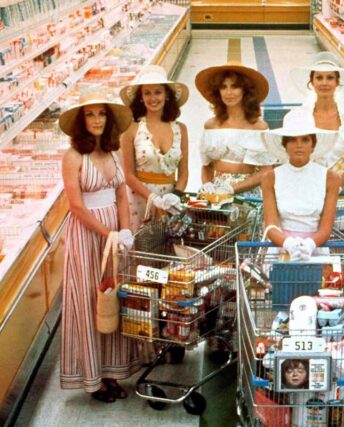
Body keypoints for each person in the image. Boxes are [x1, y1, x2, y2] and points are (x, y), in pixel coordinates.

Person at [59, 91, 140, 402]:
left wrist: (126, 230)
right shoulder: (73, 157)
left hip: (113, 235)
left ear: (109, 121)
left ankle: (113, 371)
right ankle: (93, 379)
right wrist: (109, 233)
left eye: (101, 115)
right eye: (90, 115)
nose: (96, 120)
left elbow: (121, 195)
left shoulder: (111, 153)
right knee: (89, 299)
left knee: (113, 297)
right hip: (87, 235)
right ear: (82, 122)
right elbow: (76, 207)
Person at [261, 110, 340, 260]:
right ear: (285, 144)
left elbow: (326, 227)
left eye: (305, 140)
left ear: (313, 144)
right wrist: (288, 244)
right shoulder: (270, 177)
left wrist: (309, 245)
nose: (299, 145)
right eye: (292, 140)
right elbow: (270, 226)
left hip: (316, 248)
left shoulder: (330, 178)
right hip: (282, 249)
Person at [119, 65, 189, 232]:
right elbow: (128, 176)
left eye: (158, 92)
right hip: (139, 202)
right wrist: (153, 198)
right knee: (140, 248)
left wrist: (176, 195)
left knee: (166, 250)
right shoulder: (131, 130)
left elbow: (184, 172)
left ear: (167, 95)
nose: (153, 98)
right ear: (141, 98)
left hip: (170, 204)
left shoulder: (181, 129)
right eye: (147, 93)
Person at [195, 62, 276, 197]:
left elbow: (266, 171)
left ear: (245, 90)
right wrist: (207, 184)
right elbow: (206, 166)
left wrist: (232, 189)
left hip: (247, 195)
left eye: (235, 86)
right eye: (223, 87)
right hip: (216, 194)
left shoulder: (259, 127)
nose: (228, 93)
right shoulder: (210, 126)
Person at [289, 52, 344, 190]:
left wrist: (337, 185)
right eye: (319, 78)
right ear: (312, 82)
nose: (324, 83)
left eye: (330, 78)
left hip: (340, 188)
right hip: (308, 187)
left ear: (337, 82)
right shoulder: (300, 116)